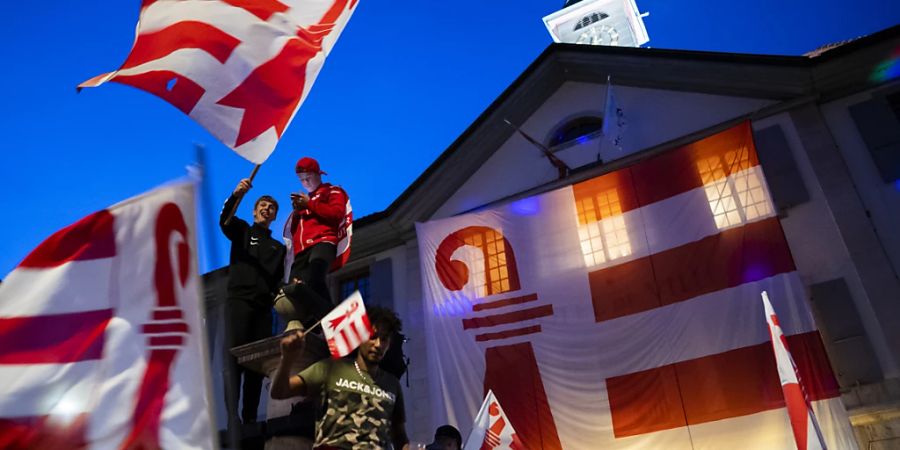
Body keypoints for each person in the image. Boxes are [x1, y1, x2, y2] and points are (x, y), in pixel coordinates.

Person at [271, 306, 409, 450]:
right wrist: (287, 359)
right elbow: (280, 392)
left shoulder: (392, 384)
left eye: (384, 339)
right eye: (372, 336)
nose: (378, 345)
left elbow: (400, 436)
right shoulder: (330, 368)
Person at [220, 178, 286, 426]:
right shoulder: (243, 231)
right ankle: (232, 417)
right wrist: (236, 195)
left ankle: (249, 417)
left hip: (263, 309)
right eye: (263, 205)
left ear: (274, 216)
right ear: (255, 210)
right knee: (234, 358)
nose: (266, 209)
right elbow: (224, 220)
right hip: (239, 301)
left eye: (271, 207)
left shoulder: (278, 249)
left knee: (256, 365)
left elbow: (279, 279)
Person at [282, 156, 350, 327]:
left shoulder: (332, 191)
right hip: (301, 252)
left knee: (315, 278)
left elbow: (336, 214)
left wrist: (309, 203)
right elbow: (295, 230)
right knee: (295, 290)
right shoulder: (306, 200)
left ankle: (335, 323)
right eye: (301, 179)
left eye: (308, 177)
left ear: (318, 174)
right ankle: (318, 324)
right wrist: (297, 212)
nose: (305, 182)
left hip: (323, 242)